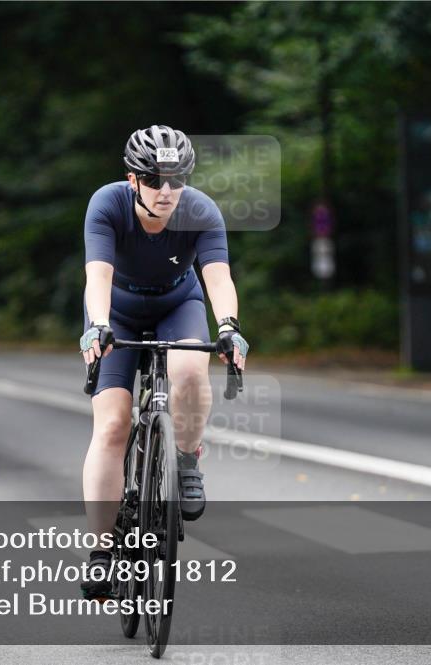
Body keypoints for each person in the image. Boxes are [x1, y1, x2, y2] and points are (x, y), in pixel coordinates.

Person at [79, 125, 248, 599]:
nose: (167, 191)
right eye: (154, 180)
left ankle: (187, 462)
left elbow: (217, 277)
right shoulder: (107, 204)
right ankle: (99, 551)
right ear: (132, 179)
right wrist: (97, 324)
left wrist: (230, 326)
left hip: (179, 305)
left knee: (192, 371)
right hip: (117, 311)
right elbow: (97, 275)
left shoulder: (199, 210)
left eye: (177, 179)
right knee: (112, 424)